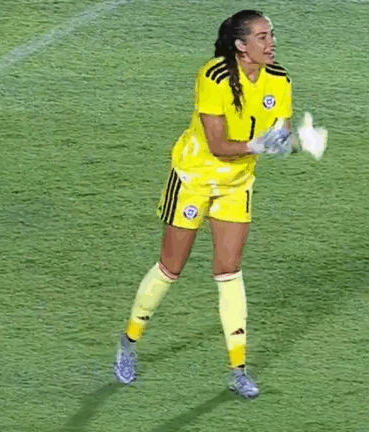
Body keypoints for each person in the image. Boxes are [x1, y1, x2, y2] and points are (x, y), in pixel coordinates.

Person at [114, 9, 311, 398]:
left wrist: (298, 141)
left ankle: (238, 368)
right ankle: (128, 343)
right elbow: (219, 145)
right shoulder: (214, 77)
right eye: (261, 37)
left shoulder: (280, 79)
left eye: (271, 35)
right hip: (193, 180)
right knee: (170, 268)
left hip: (236, 185)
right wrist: (260, 145)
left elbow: (280, 136)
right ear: (240, 46)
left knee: (229, 272)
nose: (271, 43)